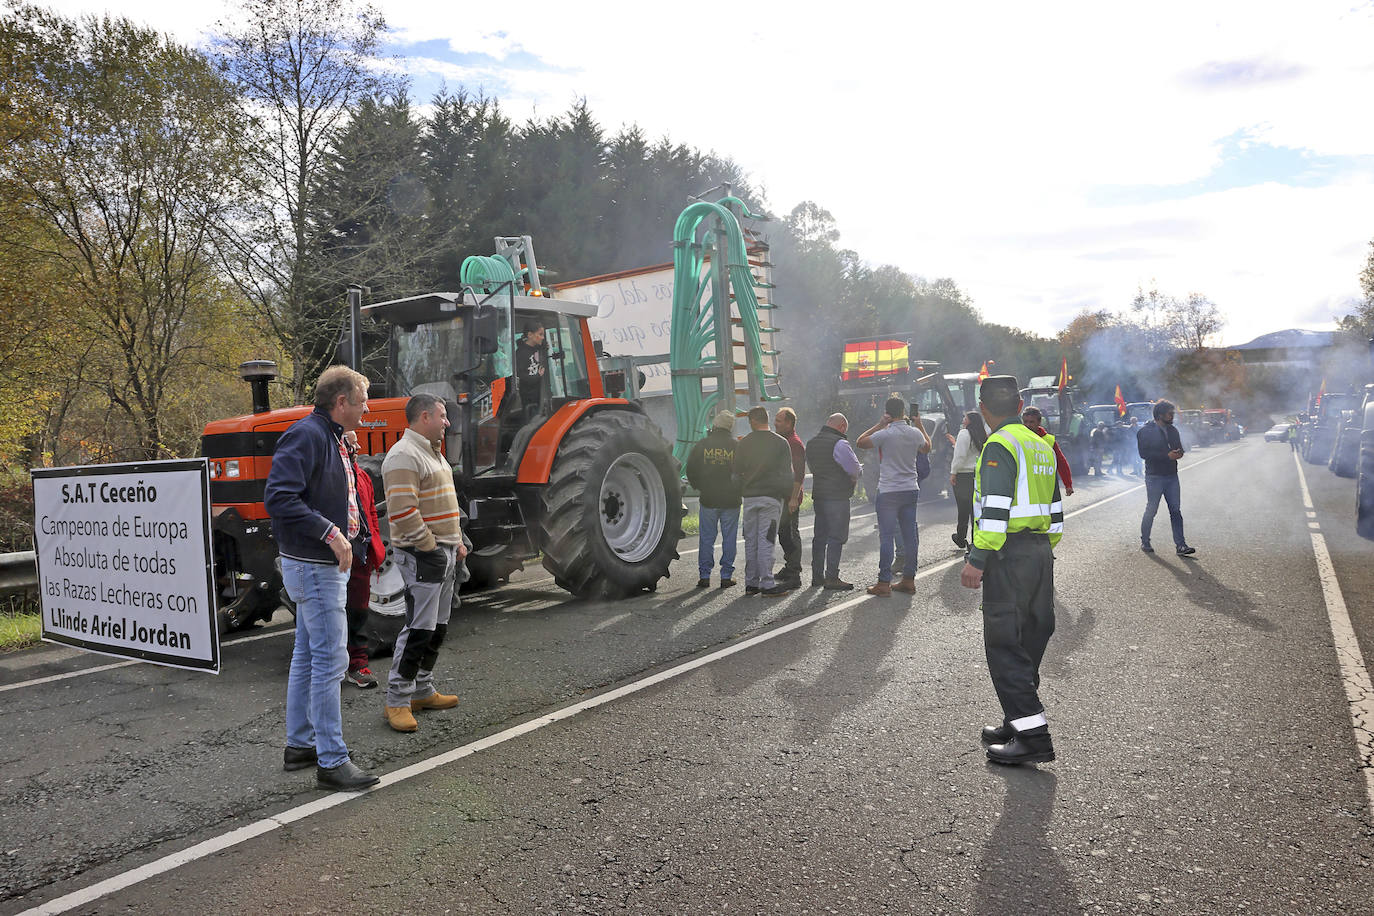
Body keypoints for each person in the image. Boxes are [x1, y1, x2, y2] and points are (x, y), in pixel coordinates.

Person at [264, 365, 380, 791]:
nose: (368, 408)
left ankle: (300, 744)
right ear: (342, 402)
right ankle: (332, 761)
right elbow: (278, 496)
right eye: (363, 400)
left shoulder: (329, 436)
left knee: (308, 653)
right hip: (315, 565)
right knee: (332, 659)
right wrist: (330, 533)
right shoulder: (308, 435)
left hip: (312, 564)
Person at [960, 375, 1063, 766]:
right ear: (1021, 405)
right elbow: (1054, 511)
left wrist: (978, 559)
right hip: (1039, 553)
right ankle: (1016, 721)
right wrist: (1043, 551)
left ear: (984, 409)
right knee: (1031, 636)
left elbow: (996, 508)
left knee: (1004, 644)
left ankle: (1033, 737)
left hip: (1008, 554)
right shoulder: (1041, 445)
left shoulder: (1000, 443)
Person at [380, 393, 469, 732]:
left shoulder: (434, 454)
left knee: (437, 627)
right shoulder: (403, 455)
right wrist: (430, 547)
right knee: (418, 629)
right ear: (424, 417)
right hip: (424, 555)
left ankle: (422, 690)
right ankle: (397, 701)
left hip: (444, 553)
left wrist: (457, 543)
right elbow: (402, 512)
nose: (447, 423)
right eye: (443, 416)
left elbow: (445, 505)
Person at [857, 396, 930, 597]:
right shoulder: (915, 433)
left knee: (887, 537)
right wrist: (920, 425)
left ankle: (884, 583)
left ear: (888, 413)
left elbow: (860, 442)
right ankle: (908, 580)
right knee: (910, 537)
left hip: (889, 491)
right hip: (910, 489)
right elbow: (927, 448)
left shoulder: (885, 434)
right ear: (904, 411)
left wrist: (879, 424)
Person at [733, 406, 795, 596]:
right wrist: (785, 496)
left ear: (752, 421)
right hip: (771, 499)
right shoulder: (781, 442)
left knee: (750, 541)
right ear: (767, 419)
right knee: (766, 540)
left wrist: (743, 490)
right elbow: (788, 474)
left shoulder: (743, 443)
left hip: (750, 498)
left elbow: (735, 473)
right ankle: (767, 583)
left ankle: (751, 583)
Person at [342, 430, 384, 689]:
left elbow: (371, 514)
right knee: (333, 614)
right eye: (352, 441)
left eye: (356, 442)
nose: (357, 446)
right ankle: (332, 666)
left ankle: (358, 664)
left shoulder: (364, 476)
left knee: (358, 612)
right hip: (335, 557)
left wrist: (375, 547)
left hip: (361, 556)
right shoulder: (331, 477)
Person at [686, 410, 741, 589]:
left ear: (715, 425)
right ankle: (726, 576)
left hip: (708, 499)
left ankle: (704, 576)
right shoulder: (736, 446)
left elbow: (691, 469)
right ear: (730, 428)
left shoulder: (703, 444)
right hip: (731, 500)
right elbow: (744, 471)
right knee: (729, 538)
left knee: (707, 539)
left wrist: (700, 487)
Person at [806, 413, 861, 590]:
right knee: (836, 536)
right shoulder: (840, 443)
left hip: (819, 495)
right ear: (842, 426)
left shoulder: (812, 442)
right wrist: (854, 477)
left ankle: (817, 576)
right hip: (837, 496)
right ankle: (832, 577)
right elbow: (854, 469)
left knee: (820, 536)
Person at [1137, 399, 1194, 556]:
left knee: (1175, 510)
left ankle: (1181, 545)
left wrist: (1179, 454)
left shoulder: (1173, 430)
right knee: (1152, 509)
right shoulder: (1145, 431)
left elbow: (1180, 449)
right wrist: (1166, 456)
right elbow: (1144, 454)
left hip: (1171, 476)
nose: (1172, 416)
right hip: (1154, 476)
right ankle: (1145, 541)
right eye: (1170, 414)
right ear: (1160, 415)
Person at [773, 407, 807, 588]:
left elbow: (799, 474)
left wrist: (794, 498)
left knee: (791, 535)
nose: (775, 423)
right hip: (783, 497)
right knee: (784, 533)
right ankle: (789, 567)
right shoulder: (783, 440)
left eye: (779, 420)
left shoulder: (794, 443)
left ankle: (794, 574)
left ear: (789, 423)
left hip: (790, 498)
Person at [949, 411, 989, 550]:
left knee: (963, 509)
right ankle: (975, 541)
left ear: (970, 420)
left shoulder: (964, 433)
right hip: (977, 475)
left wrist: (953, 472)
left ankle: (961, 538)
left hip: (963, 476)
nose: (963, 419)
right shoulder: (982, 434)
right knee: (976, 510)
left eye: (965, 417)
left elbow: (960, 456)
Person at [1021, 407, 1074, 497]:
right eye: (1025, 422)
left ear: (1039, 422)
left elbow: (1061, 462)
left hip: (1045, 488)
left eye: (1031, 422)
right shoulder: (1019, 438)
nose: (1028, 425)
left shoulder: (1049, 440)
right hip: (1024, 487)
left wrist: (1068, 484)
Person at [514, 320, 546, 409]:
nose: (542, 338)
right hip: (529, 399)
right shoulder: (521, 353)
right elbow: (520, 375)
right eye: (540, 334)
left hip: (540, 395)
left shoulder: (537, 348)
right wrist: (538, 376)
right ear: (530, 335)